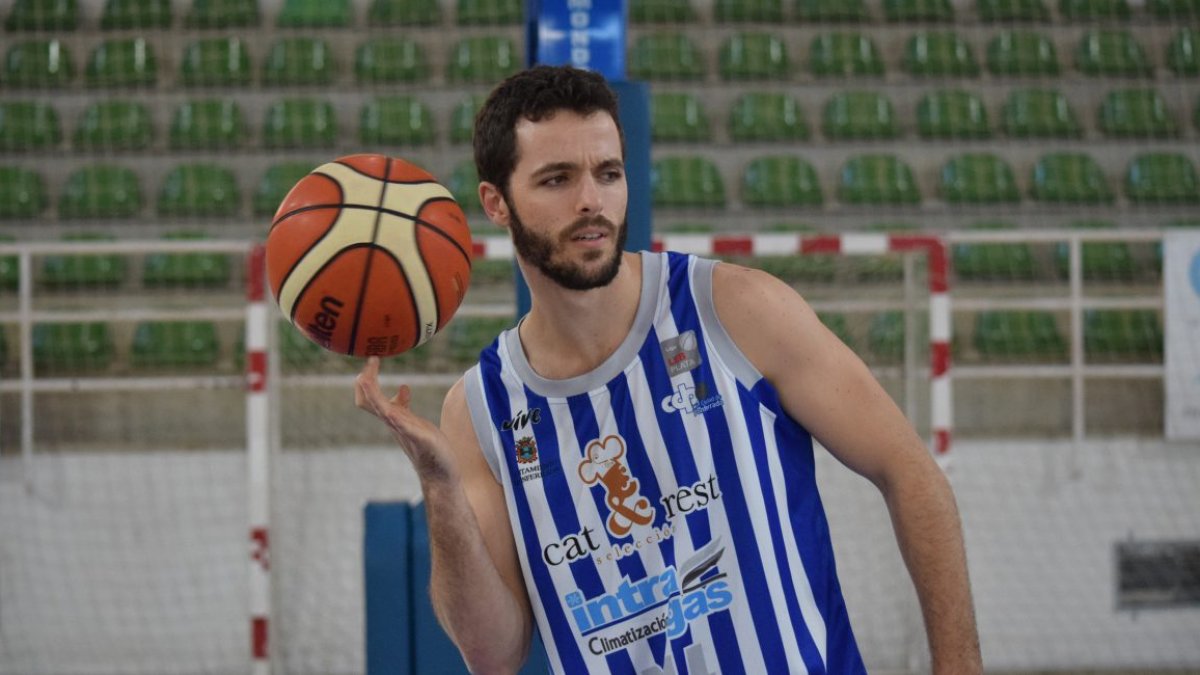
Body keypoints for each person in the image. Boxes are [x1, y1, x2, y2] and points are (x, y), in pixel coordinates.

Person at [355, 64, 982, 674]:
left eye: (608, 173)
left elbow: (911, 473)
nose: (591, 201)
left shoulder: (735, 308)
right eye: (556, 179)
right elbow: (492, 654)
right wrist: (439, 484)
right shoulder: (481, 409)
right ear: (496, 202)